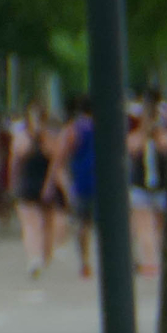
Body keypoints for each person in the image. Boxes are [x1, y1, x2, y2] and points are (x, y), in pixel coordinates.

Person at [10, 98, 58, 277]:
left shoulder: (49, 138)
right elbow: (15, 161)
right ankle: (34, 258)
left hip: (43, 182)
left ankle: (44, 255)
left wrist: (51, 184)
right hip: (27, 183)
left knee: (47, 224)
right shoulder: (22, 137)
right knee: (31, 224)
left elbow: (55, 161)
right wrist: (12, 184)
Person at [129, 96, 167, 276]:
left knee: (162, 226)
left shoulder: (164, 135)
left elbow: (166, 147)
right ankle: (150, 260)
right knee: (143, 225)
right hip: (141, 186)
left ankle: (161, 259)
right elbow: (132, 148)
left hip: (161, 186)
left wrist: (157, 131)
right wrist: (145, 131)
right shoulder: (136, 136)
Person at [60, 94, 97, 280]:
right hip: (104, 180)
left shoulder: (74, 129)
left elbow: (63, 155)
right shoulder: (107, 126)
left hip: (82, 180)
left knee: (83, 223)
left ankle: (85, 262)